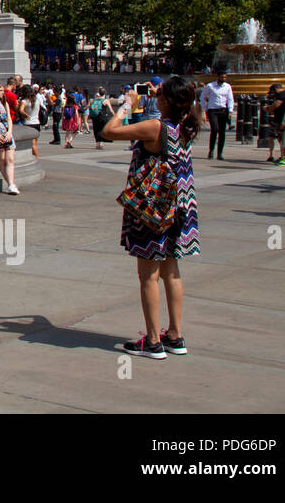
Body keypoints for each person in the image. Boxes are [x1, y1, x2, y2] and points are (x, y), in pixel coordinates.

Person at [101, 76, 199, 359]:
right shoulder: (184, 124)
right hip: (179, 206)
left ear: (167, 100)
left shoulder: (155, 126)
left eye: (160, 94)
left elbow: (109, 131)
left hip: (152, 208)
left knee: (148, 276)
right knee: (172, 271)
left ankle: (153, 341)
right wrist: (163, 94)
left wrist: (126, 105)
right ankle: (175, 335)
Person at [200, 70, 234, 160]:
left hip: (223, 110)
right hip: (213, 110)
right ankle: (211, 150)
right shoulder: (210, 86)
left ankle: (220, 153)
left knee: (222, 132)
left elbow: (230, 99)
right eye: (222, 77)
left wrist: (230, 110)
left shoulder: (227, 87)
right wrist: (205, 109)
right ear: (218, 77)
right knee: (214, 129)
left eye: (225, 77)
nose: (224, 79)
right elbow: (202, 97)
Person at [266, 82, 285, 166]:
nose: (273, 94)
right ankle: (283, 157)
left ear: (275, 90)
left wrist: (268, 108)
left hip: (283, 120)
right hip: (281, 119)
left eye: (273, 92)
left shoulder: (282, 94)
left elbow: (277, 104)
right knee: (281, 139)